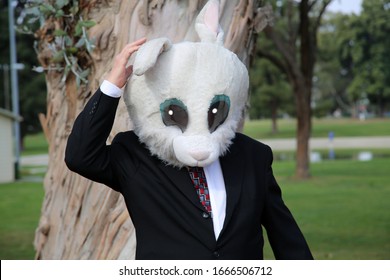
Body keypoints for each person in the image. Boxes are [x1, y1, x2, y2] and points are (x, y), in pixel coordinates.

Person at [65, 37, 313, 260]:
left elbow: (285, 234)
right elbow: (80, 156)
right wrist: (113, 86)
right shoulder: (134, 154)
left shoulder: (253, 155)